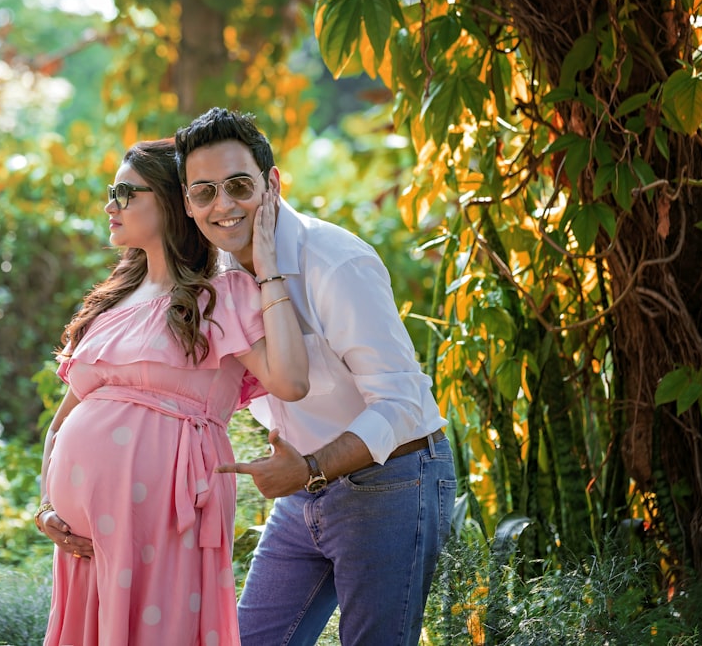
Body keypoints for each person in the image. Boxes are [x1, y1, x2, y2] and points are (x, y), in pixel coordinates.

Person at [174, 108, 455, 646]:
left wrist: (307, 469)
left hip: (392, 478)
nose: (224, 205)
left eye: (239, 185)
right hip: (303, 491)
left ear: (272, 183)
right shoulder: (220, 279)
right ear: (188, 203)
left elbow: (400, 405)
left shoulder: (335, 262)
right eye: (204, 192)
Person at [35, 137, 309, 646]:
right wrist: (48, 504)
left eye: (125, 192)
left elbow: (291, 382)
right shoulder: (114, 300)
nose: (109, 205)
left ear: (169, 201)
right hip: (83, 540)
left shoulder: (221, 295)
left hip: (166, 513)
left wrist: (267, 268)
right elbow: (63, 420)